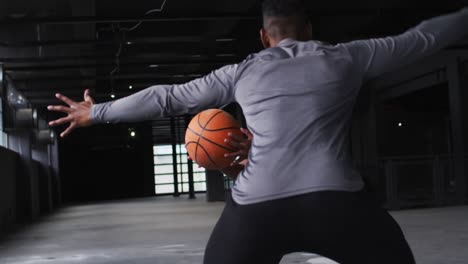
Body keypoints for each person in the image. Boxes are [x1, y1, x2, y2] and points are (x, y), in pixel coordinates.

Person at [48, 0, 468, 263]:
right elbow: (423, 38)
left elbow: (168, 97)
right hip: (337, 203)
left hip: (257, 209)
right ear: (307, 30)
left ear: (265, 36)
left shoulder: (242, 70)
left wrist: (96, 112)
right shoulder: (349, 57)